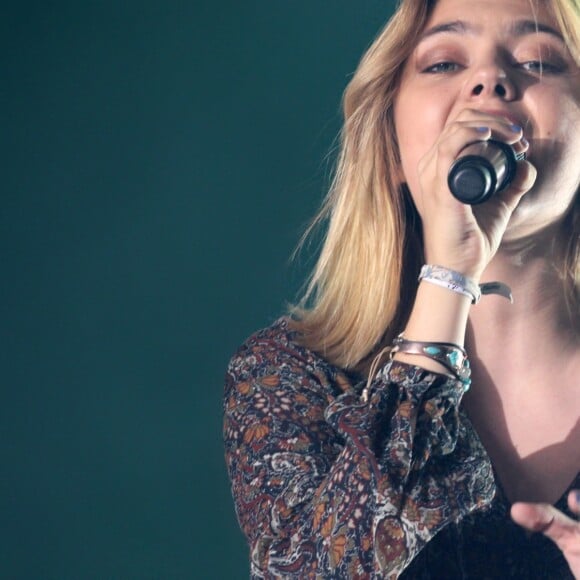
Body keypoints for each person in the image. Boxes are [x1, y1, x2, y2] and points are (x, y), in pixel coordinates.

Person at [223, 0, 580, 576]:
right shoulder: (288, 377)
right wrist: (450, 274)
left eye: (539, 61)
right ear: (391, 148)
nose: (490, 79)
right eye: (443, 63)